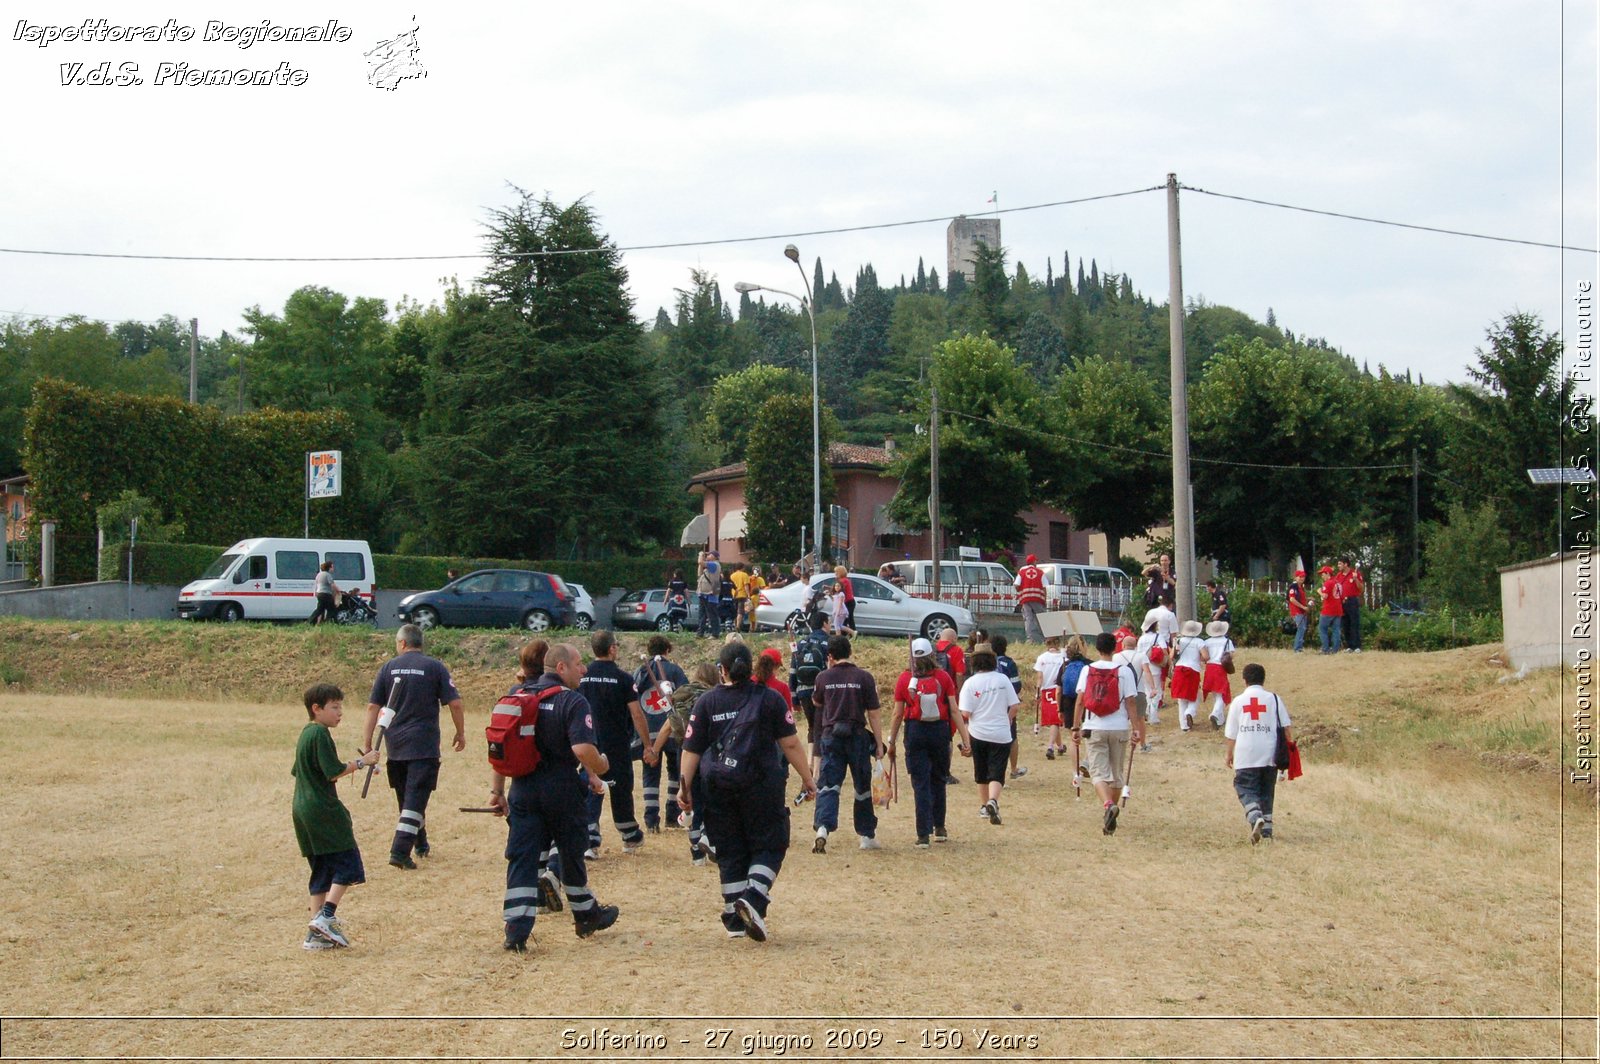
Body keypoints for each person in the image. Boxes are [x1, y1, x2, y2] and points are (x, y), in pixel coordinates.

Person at [679, 642, 818, 941]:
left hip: (718, 789)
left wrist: (684, 787)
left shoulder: (706, 703)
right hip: (762, 785)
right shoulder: (769, 700)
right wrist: (807, 778)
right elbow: (791, 743)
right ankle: (753, 897)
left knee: (730, 850)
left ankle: (734, 919)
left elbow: (690, 750)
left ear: (722, 670)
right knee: (770, 845)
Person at [488, 642, 620, 951]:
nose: (583, 669)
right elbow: (582, 749)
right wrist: (601, 764)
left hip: (522, 788)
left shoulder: (520, 697)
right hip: (560, 787)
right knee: (572, 851)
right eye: (578, 664)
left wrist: (497, 791)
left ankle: (516, 929)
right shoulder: (572, 702)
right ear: (561, 668)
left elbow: (500, 749)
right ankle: (586, 915)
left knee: (522, 856)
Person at [364, 624, 465, 870]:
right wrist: (460, 732)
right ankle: (399, 851)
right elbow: (455, 704)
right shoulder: (435, 667)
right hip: (424, 745)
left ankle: (420, 843)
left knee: (408, 799)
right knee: (415, 799)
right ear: (420, 643)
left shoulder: (387, 668)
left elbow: (372, 708)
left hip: (395, 745)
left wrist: (367, 743)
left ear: (401, 643)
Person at [293, 682, 380, 950]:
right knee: (347, 862)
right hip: (323, 809)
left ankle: (315, 935)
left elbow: (299, 771)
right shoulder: (319, 734)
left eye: (340, 707)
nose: (339, 713)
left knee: (322, 869)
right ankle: (326, 916)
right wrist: (363, 762)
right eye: (334, 707)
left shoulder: (306, 734)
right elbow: (331, 771)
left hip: (302, 808)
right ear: (316, 709)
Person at [886, 638, 969, 846]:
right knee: (939, 779)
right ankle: (939, 827)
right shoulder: (943, 677)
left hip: (915, 732)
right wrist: (966, 739)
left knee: (920, 783)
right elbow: (954, 710)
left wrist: (892, 741)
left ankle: (923, 834)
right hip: (940, 732)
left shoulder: (905, 679)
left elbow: (897, 714)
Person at [810, 634, 886, 853]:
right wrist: (879, 744)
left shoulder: (823, 677)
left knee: (829, 784)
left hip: (831, 737)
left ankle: (822, 828)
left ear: (830, 656)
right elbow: (874, 713)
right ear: (850, 652)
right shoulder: (864, 677)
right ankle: (866, 835)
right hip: (857, 737)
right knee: (861, 786)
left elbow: (817, 701)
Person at [578, 630, 651, 857]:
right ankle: (629, 835)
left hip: (588, 742)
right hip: (617, 744)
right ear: (611, 649)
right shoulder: (623, 678)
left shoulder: (581, 676)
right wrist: (647, 744)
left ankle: (589, 839)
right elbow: (637, 714)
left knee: (592, 787)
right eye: (616, 646)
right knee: (621, 789)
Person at [1071, 631, 1143, 835]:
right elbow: (1130, 702)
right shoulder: (1124, 671)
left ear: (1097, 649)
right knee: (1117, 774)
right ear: (1115, 648)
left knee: (1098, 773)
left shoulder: (1088, 670)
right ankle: (1112, 808)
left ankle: (1108, 805)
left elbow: (1080, 700)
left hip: (1094, 726)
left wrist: (1076, 727)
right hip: (1119, 726)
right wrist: (1136, 729)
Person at [1224, 662, 1292, 843]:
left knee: (1244, 786)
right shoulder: (1275, 699)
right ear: (1263, 679)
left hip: (1246, 752)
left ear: (1244, 680)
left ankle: (1255, 816)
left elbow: (1231, 733)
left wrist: (1229, 754)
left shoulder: (1238, 701)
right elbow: (1286, 729)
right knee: (1266, 790)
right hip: (1270, 752)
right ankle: (1267, 830)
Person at [659, 661, 718, 863]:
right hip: (708, 752)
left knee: (690, 800)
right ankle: (708, 836)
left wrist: (654, 748)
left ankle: (696, 853)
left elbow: (669, 725)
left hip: (683, 751)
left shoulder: (681, 694)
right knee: (710, 798)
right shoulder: (714, 696)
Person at [635, 635, 690, 834]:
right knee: (675, 772)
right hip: (672, 730)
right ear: (668, 649)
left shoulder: (640, 672)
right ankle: (672, 816)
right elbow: (686, 697)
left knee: (650, 775)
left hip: (647, 732)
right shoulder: (674, 671)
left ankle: (651, 820)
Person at [959, 642, 1018, 825]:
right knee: (997, 771)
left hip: (978, 733)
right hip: (1001, 732)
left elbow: (965, 713)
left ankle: (984, 805)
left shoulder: (970, 683)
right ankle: (993, 800)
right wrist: (1007, 719)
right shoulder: (1002, 680)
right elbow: (1014, 706)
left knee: (981, 770)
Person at [789, 610, 831, 783]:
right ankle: (817, 771)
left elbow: (793, 671)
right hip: (821, 691)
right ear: (824, 623)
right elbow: (830, 669)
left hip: (803, 690)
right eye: (829, 623)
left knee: (811, 727)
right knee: (821, 728)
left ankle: (809, 763)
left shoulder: (800, 643)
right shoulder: (828, 643)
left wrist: (794, 697)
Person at [1113, 634, 1159, 746]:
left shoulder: (1116, 657)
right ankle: (1142, 744)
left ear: (1123, 645)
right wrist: (1153, 688)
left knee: (1118, 718)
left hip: (1120, 692)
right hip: (1138, 691)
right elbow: (1147, 672)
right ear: (1135, 646)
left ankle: (1118, 742)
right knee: (1140, 719)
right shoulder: (1141, 656)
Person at [993, 634, 1028, 780]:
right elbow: (1016, 685)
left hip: (990, 703)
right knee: (1012, 736)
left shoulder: (987, 663)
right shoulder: (1009, 663)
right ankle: (1013, 769)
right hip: (1007, 704)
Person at [1055, 636, 1090, 765]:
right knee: (1088, 735)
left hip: (1068, 701)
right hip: (1086, 700)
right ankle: (1086, 761)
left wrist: (1059, 708)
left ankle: (1076, 772)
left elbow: (1058, 690)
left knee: (1073, 738)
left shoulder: (1065, 665)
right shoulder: (1089, 664)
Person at [1169, 619, 1206, 731]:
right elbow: (1206, 656)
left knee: (1181, 699)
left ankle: (1184, 726)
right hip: (1193, 669)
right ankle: (1190, 712)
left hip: (1180, 669)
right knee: (1194, 695)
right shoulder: (1199, 642)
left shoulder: (1179, 641)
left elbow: (1171, 656)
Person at [1033, 635, 1066, 757]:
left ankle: (1060, 746)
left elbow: (1040, 677)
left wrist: (1037, 692)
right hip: (1058, 688)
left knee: (1054, 720)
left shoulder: (1042, 658)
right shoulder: (1063, 656)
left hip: (1046, 690)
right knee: (1055, 720)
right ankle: (1051, 746)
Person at [1200, 619, 1236, 728]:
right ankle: (1215, 713)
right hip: (1220, 668)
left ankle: (1220, 719)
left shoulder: (1207, 642)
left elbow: (1203, 656)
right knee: (1222, 693)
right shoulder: (1226, 641)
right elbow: (1232, 654)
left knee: (1216, 693)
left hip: (1210, 667)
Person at [1014, 553, 1048, 643]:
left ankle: (1030, 639)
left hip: (1025, 599)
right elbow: (1044, 587)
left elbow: (1016, 585)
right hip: (1038, 599)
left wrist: (1021, 589)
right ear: (1033, 562)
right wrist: (1045, 600)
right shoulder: (1040, 572)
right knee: (1042, 618)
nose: (1036, 562)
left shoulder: (1022, 572)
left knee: (1028, 618)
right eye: (1036, 560)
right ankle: (1046, 639)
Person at [1339, 557, 1365, 654]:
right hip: (1343, 601)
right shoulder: (1339, 576)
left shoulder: (1355, 574)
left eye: (1340, 564)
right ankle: (1349, 645)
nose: (1339, 566)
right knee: (1346, 624)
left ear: (1346, 564)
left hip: (1352, 600)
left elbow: (1361, 589)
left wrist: (1356, 580)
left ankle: (1357, 646)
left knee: (1354, 623)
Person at [1318, 565, 1344, 654]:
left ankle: (1325, 649)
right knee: (1336, 629)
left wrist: (1319, 591)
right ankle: (1335, 649)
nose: (1322, 576)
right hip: (1338, 609)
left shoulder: (1328, 583)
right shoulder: (1338, 583)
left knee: (1322, 628)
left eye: (1323, 574)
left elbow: (1325, 596)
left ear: (1328, 574)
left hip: (1328, 610)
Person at [696, 550, 722, 638]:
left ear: (714, 557)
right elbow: (699, 573)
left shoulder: (714, 565)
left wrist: (700, 555)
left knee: (712, 615)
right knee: (702, 615)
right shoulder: (708, 567)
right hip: (703, 594)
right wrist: (702, 561)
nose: (707, 555)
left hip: (710, 594)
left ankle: (715, 633)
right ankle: (700, 633)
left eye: (709, 554)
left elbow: (700, 562)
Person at [309, 561, 342, 625]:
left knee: (320, 609)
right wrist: (338, 590)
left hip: (319, 594)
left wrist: (316, 592)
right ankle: (330, 622)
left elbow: (317, 584)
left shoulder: (319, 574)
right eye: (332, 567)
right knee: (332, 609)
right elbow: (332, 585)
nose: (333, 569)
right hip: (326, 594)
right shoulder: (327, 575)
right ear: (329, 568)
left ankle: (310, 621)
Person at [1286, 570, 1310, 653]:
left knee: (1302, 629)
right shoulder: (1293, 587)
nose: (1302, 578)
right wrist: (1302, 607)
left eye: (1303, 577)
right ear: (1296, 577)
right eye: (1300, 576)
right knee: (1301, 628)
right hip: (1297, 611)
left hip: (1302, 611)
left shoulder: (1301, 587)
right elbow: (1292, 599)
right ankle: (1297, 648)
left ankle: (1299, 647)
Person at [742, 565, 766, 633]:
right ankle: (757, 628)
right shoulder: (760, 579)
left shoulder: (749, 578)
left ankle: (749, 628)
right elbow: (763, 588)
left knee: (750, 614)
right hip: (758, 598)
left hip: (749, 598)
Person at [833, 565, 857, 633]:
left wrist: (830, 589)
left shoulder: (844, 580)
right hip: (846, 602)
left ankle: (853, 632)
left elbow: (839, 589)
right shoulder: (842, 580)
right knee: (845, 619)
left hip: (849, 602)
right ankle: (847, 634)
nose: (835, 574)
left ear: (840, 572)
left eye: (836, 572)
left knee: (849, 618)